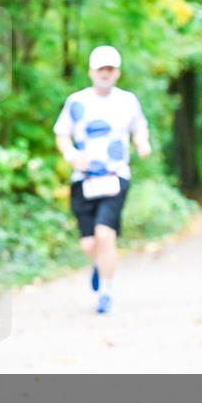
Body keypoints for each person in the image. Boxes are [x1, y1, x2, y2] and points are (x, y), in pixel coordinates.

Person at [53, 45, 151, 315]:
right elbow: (62, 134)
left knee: (105, 234)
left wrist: (142, 143)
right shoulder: (76, 101)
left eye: (110, 69)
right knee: (90, 243)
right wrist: (71, 155)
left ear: (117, 72)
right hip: (83, 180)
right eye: (100, 69)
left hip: (115, 177)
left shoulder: (128, 101)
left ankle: (106, 292)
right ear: (91, 71)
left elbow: (140, 127)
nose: (105, 73)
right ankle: (100, 264)